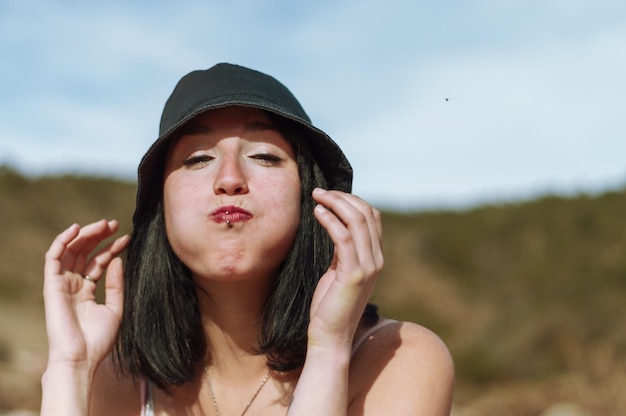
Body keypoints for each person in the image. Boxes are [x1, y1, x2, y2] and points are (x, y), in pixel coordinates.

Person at [41, 63, 454, 415]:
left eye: (265, 156)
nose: (230, 180)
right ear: (158, 206)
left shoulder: (397, 358)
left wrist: (328, 350)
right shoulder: (118, 382)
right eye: (198, 159)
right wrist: (69, 366)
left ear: (313, 196)